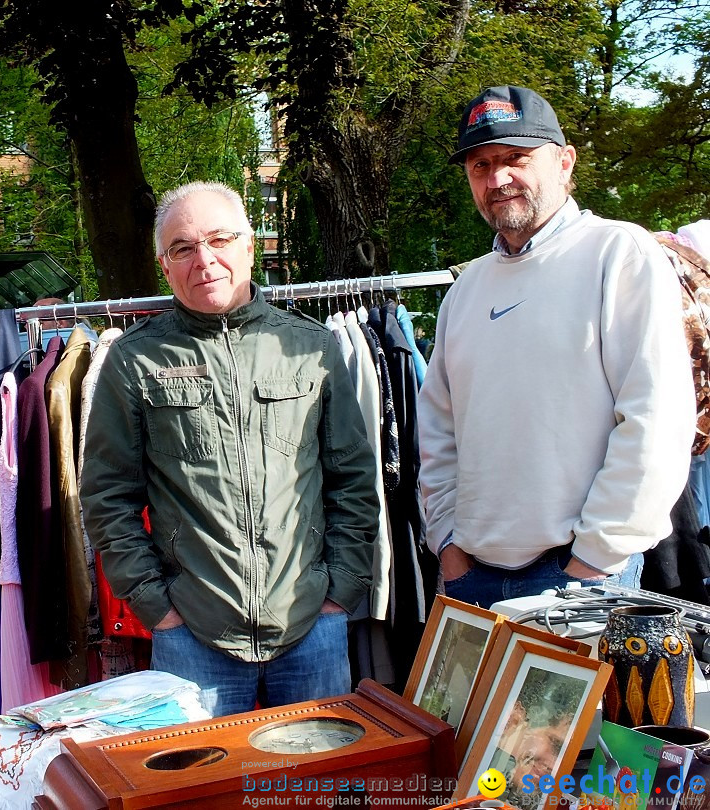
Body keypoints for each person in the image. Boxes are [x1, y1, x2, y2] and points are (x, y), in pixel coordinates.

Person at [81, 181, 379, 717]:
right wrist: (155, 606)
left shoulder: (312, 346)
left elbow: (353, 477)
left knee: (316, 790)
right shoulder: (133, 361)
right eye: (183, 248)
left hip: (311, 624)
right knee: (203, 789)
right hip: (193, 635)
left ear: (249, 247)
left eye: (219, 239)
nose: (204, 259)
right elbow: (107, 497)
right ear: (163, 265)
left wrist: (341, 592)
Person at [418, 86, 694, 609]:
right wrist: (448, 544)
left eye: (516, 158)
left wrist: (594, 558)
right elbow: (439, 430)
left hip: (578, 575)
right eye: (481, 166)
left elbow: (656, 419)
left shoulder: (618, 252)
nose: (498, 179)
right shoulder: (467, 288)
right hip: (470, 576)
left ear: (565, 162)